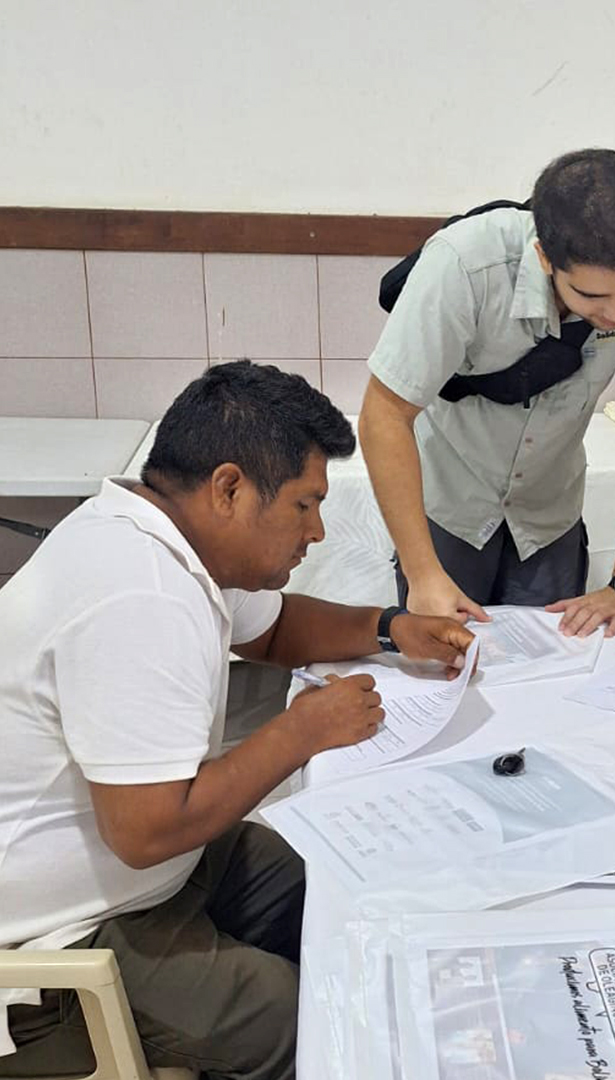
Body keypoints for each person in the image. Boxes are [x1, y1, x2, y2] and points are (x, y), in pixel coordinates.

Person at [0, 361, 474, 1079]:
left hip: (152, 875)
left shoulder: (157, 535)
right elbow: (146, 832)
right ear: (229, 488)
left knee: (346, 888)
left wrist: (389, 625)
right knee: (309, 1019)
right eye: (304, 505)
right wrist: (302, 732)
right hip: (62, 943)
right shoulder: (139, 593)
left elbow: (277, 630)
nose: (317, 531)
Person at [358, 148, 615, 638]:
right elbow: (383, 415)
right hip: (449, 505)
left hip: (548, 515)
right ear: (544, 258)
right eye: (594, 297)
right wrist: (423, 574)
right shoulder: (464, 264)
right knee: (446, 666)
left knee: (551, 674)